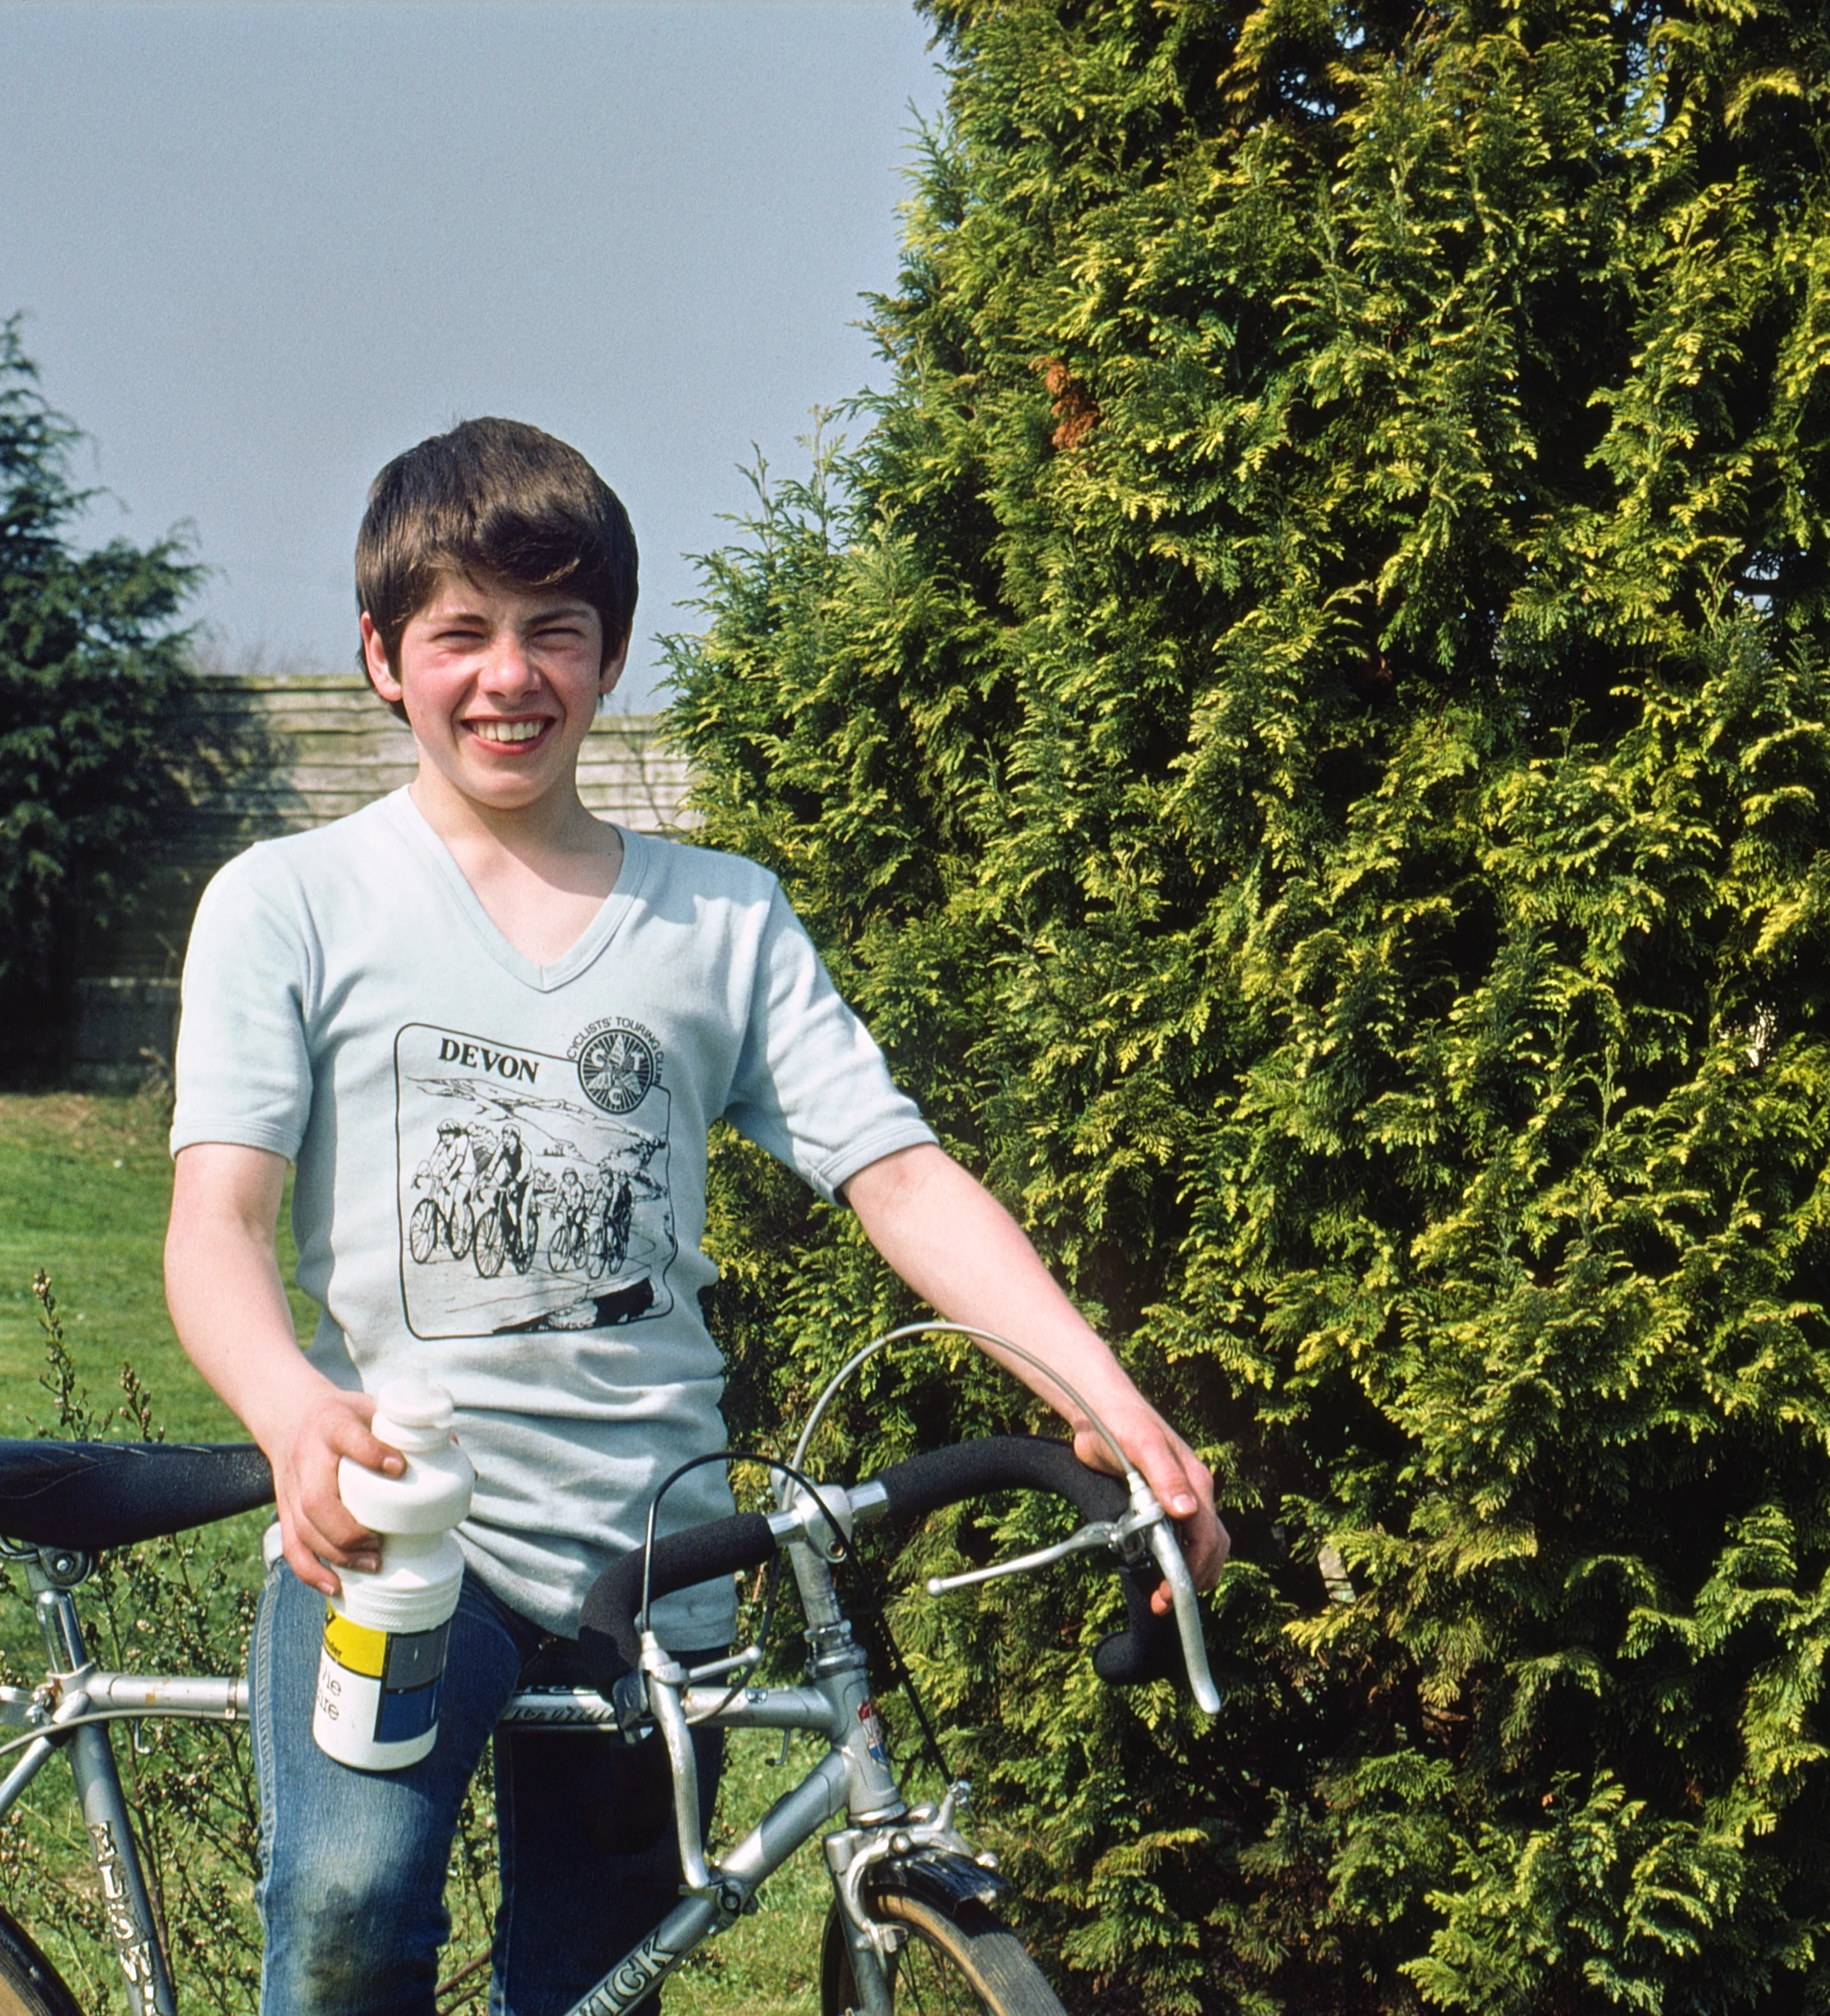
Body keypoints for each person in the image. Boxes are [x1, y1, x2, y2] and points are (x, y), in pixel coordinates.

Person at [163, 417, 1227, 2016]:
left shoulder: (721, 914)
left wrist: (1113, 1410)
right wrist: (289, 1409)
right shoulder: (289, 901)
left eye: (552, 631)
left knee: (600, 1983)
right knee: (343, 1913)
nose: (506, 676)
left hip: (666, 1555)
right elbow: (216, 1228)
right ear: (383, 657)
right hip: (395, 1546)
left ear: (608, 655)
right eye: (459, 633)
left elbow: (900, 1175)